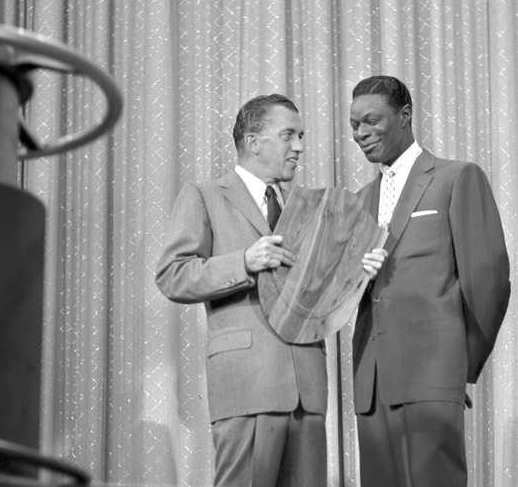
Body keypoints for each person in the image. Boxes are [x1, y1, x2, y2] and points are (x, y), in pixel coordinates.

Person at [155, 94, 385, 487]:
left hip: (307, 389)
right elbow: (172, 274)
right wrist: (243, 261)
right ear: (253, 141)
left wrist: (359, 274)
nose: (298, 146)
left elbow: (324, 291)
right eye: (288, 135)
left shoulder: (308, 207)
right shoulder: (205, 195)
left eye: (301, 136)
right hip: (247, 386)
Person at [348, 75, 511, 486]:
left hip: (433, 374)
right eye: (354, 125)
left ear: (405, 116)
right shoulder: (356, 202)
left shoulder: (458, 177)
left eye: (371, 121)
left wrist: (457, 366)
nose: (361, 134)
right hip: (372, 384)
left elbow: (488, 279)